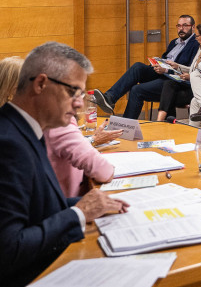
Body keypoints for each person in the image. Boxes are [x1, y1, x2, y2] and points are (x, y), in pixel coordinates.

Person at [0, 42, 128, 286]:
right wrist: (78, 214)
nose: (79, 104)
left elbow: (36, 208)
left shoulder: (29, 129)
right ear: (40, 85)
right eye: (72, 92)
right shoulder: (9, 143)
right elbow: (9, 250)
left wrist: (87, 203)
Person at [91, 14, 200, 119]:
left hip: (173, 82)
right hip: (162, 74)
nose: (181, 29)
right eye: (179, 26)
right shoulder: (174, 42)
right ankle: (110, 98)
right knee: (138, 67)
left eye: (185, 25)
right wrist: (157, 63)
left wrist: (166, 70)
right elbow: (165, 59)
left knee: (136, 89)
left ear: (193, 27)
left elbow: (188, 71)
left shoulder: (196, 44)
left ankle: (126, 125)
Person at [156, 22, 201, 122]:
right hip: (196, 87)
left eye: (198, 36)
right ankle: (191, 130)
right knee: (185, 97)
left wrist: (191, 77)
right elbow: (193, 70)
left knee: (172, 95)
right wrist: (177, 67)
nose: (196, 38)